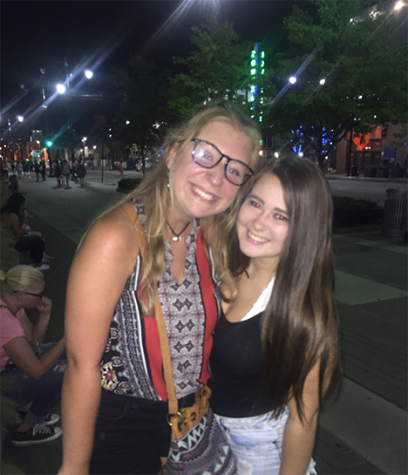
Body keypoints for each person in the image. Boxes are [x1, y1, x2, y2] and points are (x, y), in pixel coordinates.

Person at [58, 103, 261, 475]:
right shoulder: (115, 238)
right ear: (172, 154)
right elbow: (81, 365)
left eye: (234, 170)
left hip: (192, 418)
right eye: (206, 155)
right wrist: (74, 466)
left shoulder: (211, 233)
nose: (217, 177)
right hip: (122, 424)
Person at [208, 156, 341, 475]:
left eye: (280, 215)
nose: (257, 222)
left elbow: (302, 421)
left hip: (259, 452)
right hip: (205, 435)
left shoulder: (304, 314)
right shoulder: (220, 266)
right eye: (255, 203)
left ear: (304, 229)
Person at [0, 265, 66, 446]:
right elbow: (36, 371)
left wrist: (45, 315)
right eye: (38, 294)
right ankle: (26, 429)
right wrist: (65, 340)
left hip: (10, 366)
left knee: (67, 355)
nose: (42, 297)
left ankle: (28, 409)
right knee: (65, 372)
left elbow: (32, 343)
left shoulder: (11, 304)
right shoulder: (5, 322)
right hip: (3, 382)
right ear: (20, 294)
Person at [0, 192, 50, 271]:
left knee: (35, 237)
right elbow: (18, 234)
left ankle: (36, 260)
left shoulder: (4, 212)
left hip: (6, 238)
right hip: (12, 242)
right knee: (38, 240)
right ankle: (37, 264)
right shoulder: (13, 216)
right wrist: (24, 226)